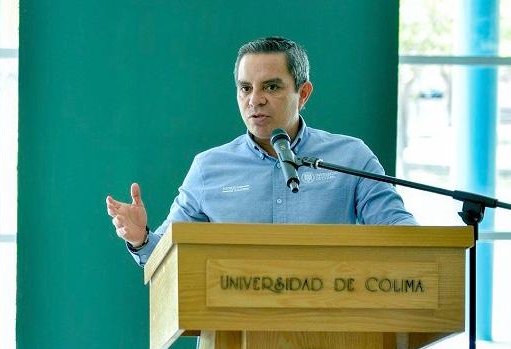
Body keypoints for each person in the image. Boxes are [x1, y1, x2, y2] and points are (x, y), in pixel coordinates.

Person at [106, 37, 416, 266]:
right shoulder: (208, 169)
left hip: (332, 325)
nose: (255, 99)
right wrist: (141, 238)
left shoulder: (350, 157)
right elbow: (163, 257)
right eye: (246, 88)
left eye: (271, 87)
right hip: (233, 330)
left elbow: (400, 231)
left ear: (303, 93)